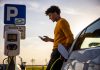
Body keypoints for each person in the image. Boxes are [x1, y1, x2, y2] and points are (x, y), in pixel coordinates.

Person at [39, 5, 74, 70]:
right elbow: (60, 40)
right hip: (57, 51)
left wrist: (64, 52)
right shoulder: (58, 23)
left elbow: (70, 37)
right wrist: (49, 39)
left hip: (59, 52)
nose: (49, 18)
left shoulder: (62, 21)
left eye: (50, 15)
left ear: (55, 13)